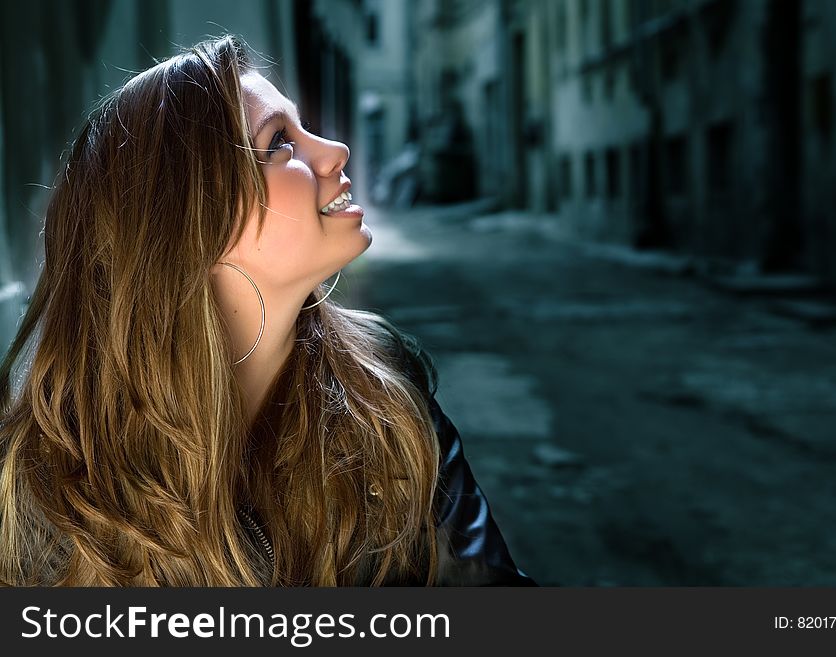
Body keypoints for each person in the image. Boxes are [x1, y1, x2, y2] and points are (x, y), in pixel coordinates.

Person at [0, 35, 536, 587]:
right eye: (279, 143)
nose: (334, 150)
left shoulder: (386, 381)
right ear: (186, 223)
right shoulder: (47, 484)